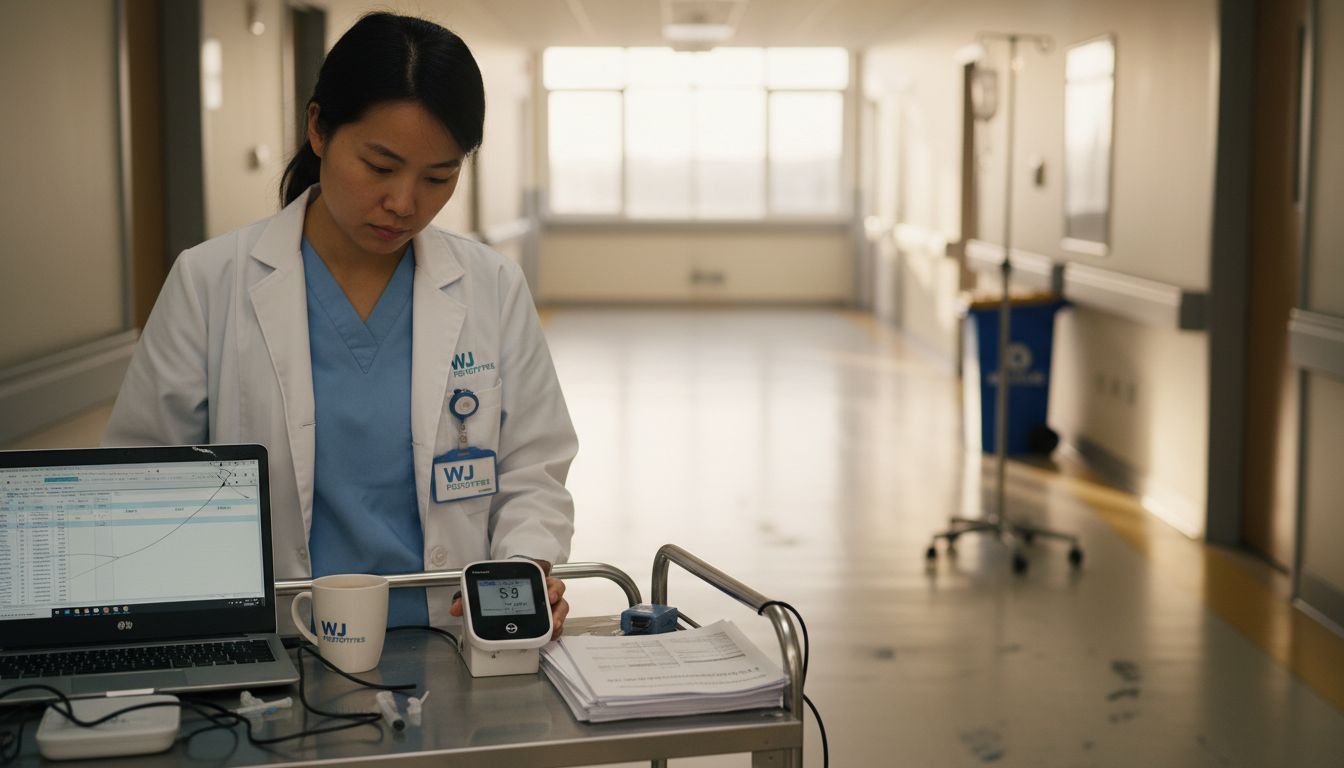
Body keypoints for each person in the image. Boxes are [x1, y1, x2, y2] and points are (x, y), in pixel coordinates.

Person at [103, 13, 576, 637]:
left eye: (438, 177)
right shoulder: (210, 282)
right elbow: (144, 479)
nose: (404, 203)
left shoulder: (492, 286)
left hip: (451, 637)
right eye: (380, 166)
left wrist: (523, 566)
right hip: (277, 639)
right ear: (318, 128)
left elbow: (533, 466)